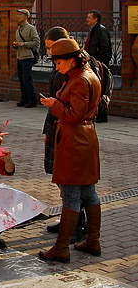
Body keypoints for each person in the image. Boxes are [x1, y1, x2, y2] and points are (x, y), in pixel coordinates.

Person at [39, 38, 102, 263]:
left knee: (72, 195)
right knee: (87, 192)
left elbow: (74, 115)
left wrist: (53, 105)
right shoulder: (85, 75)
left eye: (58, 62)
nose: (57, 67)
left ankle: (62, 247)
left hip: (74, 142)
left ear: (71, 60)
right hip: (85, 139)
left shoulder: (80, 80)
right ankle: (93, 240)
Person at [42, 27, 87, 242]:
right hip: (58, 127)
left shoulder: (78, 77)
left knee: (72, 185)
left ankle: (76, 226)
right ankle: (70, 220)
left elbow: (73, 110)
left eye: (52, 49)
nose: (51, 57)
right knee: (65, 182)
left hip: (68, 132)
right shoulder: (65, 70)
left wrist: (54, 106)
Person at [13, 8, 40, 108]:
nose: (18, 16)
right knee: (21, 79)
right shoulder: (18, 29)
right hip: (20, 56)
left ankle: (32, 100)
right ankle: (23, 99)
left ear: (26, 16)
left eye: (20, 15)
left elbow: (37, 42)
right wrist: (15, 45)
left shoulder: (30, 28)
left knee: (27, 79)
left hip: (28, 57)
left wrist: (24, 44)